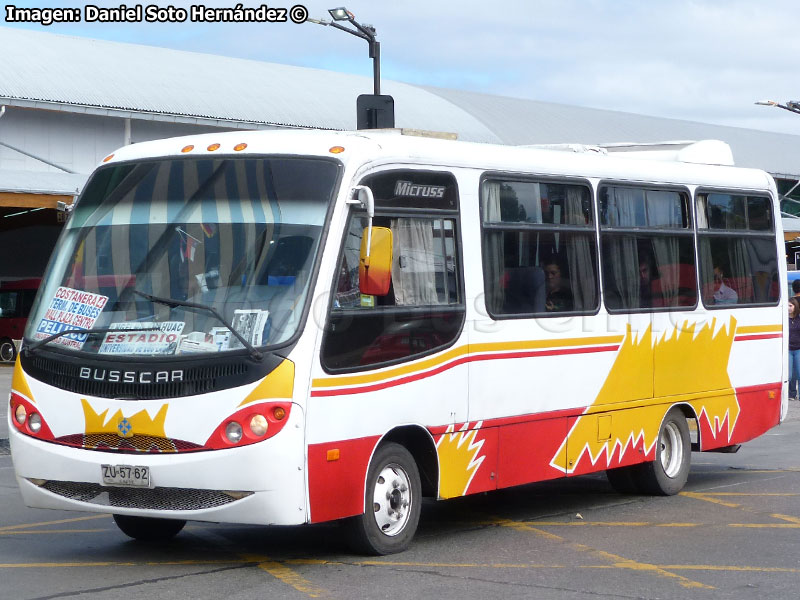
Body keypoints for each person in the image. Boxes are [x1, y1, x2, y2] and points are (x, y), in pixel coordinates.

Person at [789, 297, 800, 400]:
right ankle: (791, 394)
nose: (789, 308)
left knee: (799, 372)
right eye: (787, 306)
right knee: (790, 374)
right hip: (788, 349)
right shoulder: (784, 319)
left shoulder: (799, 318)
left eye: (790, 306)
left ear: (795, 306)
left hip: (798, 349)